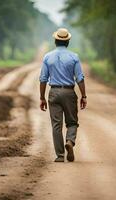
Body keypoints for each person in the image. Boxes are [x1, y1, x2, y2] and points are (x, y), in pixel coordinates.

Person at [39, 28, 87, 162]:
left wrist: (42, 97)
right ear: (68, 42)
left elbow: (43, 79)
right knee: (72, 122)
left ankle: (60, 156)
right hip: (69, 92)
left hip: (53, 92)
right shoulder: (74, 57)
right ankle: (70, 141)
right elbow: (80, 78)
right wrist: (83, 96)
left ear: (55, 41)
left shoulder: (47, 57)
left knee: (56, 125)